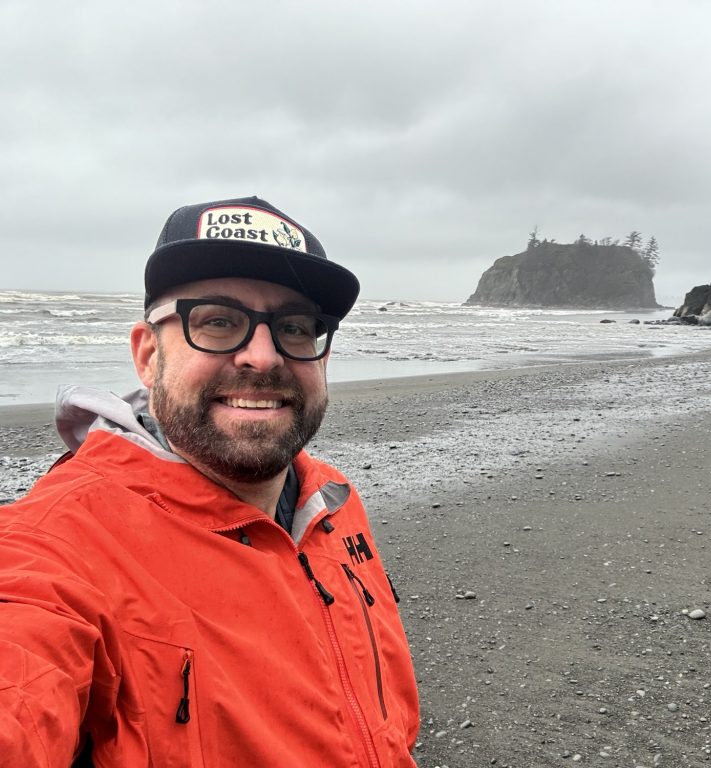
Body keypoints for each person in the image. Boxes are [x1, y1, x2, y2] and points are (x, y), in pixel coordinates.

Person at [0, 197, 419, 766]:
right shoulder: (57, 547)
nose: (262, 357)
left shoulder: (331, 499)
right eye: (218, 321)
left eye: (296, 327)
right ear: (148, 355)